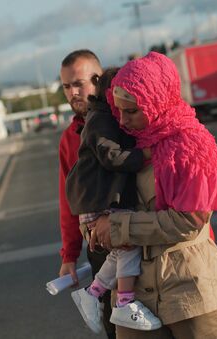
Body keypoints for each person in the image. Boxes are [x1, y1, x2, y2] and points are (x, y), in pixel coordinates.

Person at [89, 51, 217, 338]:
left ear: (156, 101)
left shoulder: (189, 145)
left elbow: (187, 222)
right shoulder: (123, 145)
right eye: (118, 109)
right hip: (133, 301)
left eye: (132, 111)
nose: (122, 120)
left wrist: (117, 228)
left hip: (189, 293)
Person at [66, 68, 161, 333]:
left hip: (95, 196)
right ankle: (123, 303)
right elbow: (111, 156)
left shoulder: (104, 117)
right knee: (127, 243)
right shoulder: (100, 120)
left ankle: (92, 292)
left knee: (120, 249)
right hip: (95, 199)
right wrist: (144, 154)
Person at [57, 49, 116, 338]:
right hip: (100, 249)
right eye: (67, 86)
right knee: (117, 327)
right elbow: (69, 201)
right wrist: (69, 254)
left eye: (78, 83)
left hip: (145, 238)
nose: (73, 93)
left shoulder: (125, 118)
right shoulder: (69, 139)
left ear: (99, 79)